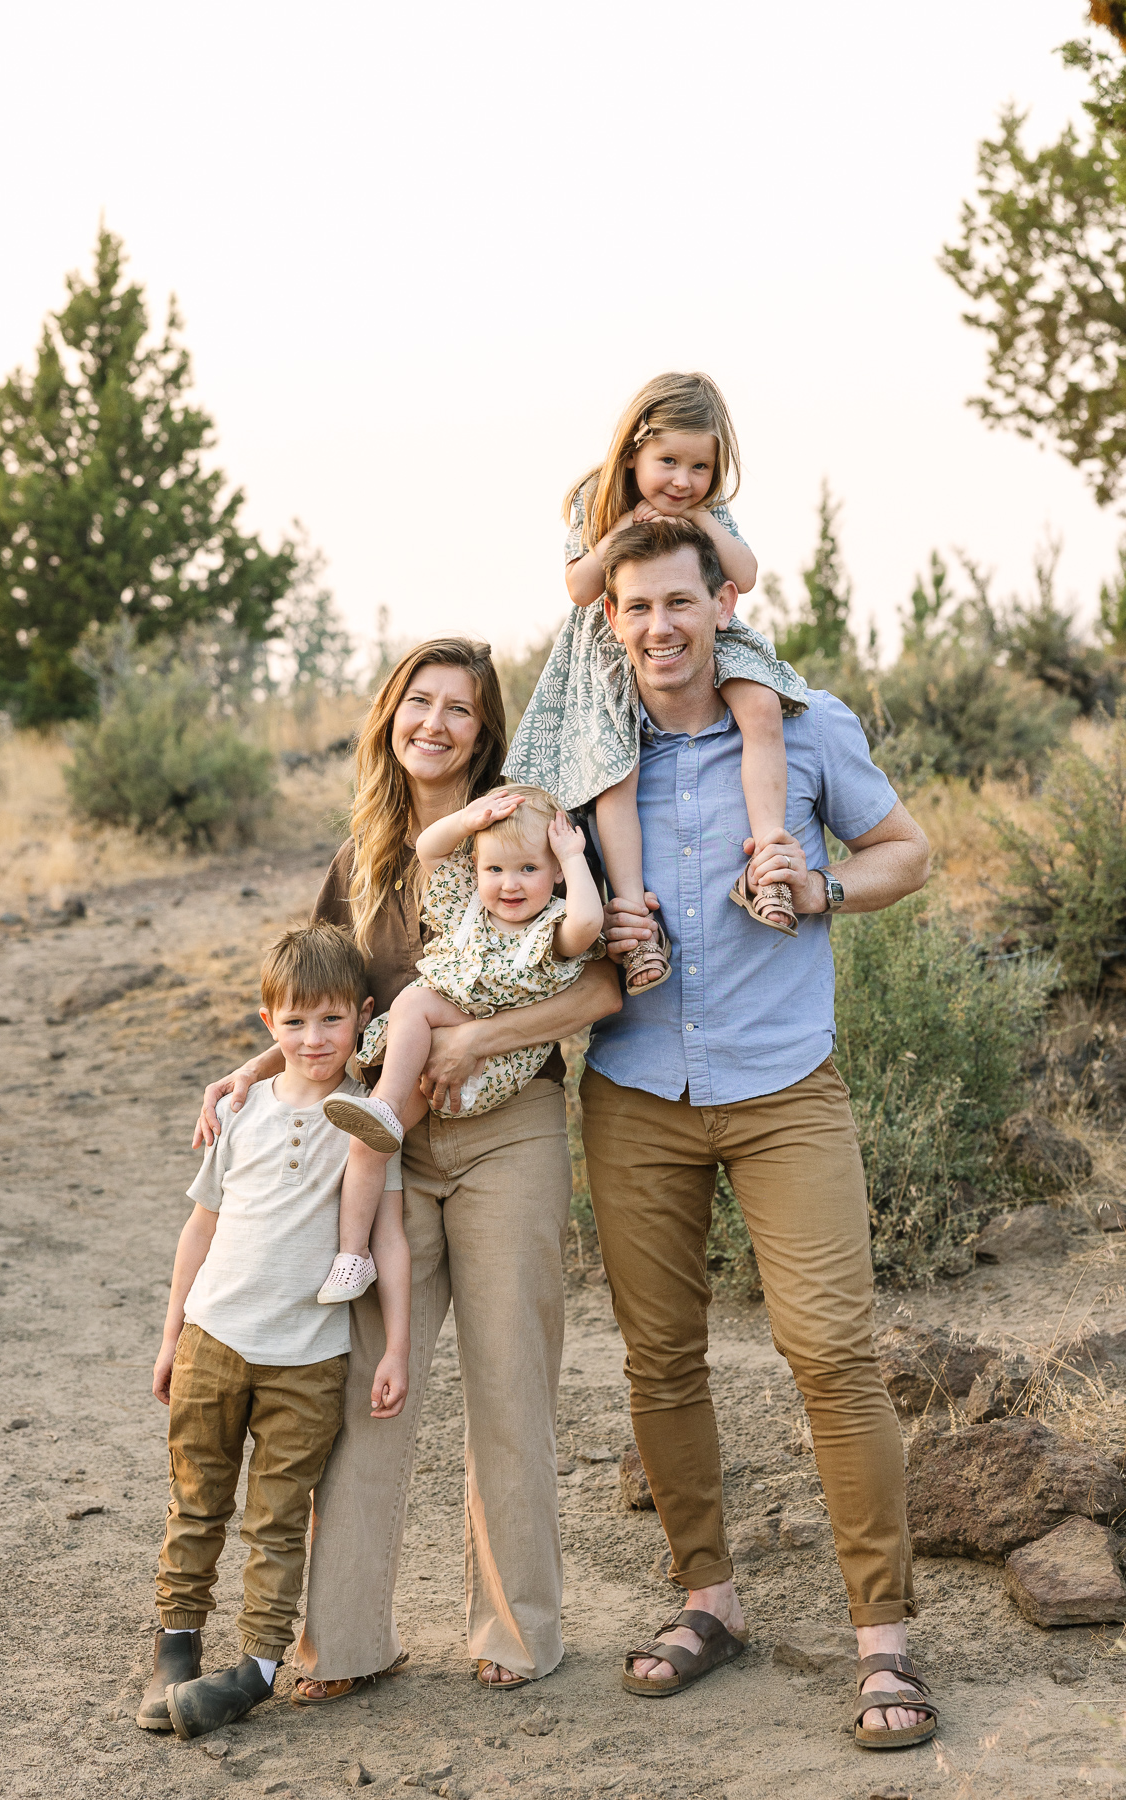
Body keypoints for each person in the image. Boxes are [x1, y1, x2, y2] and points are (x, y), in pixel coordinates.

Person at [194, 638, 622, 1696]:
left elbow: (608, 987)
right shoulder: (368, 852)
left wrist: (478, 1040)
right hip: (383, 1155)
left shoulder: (524, 827)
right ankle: (340, 1643)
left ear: (486, 730)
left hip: (506, 1128)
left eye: (461, 709)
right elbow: (321, 999)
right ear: (391, 715)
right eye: (419, 702)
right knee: (363, 1389)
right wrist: (247, 1071)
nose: (436, 723)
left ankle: (515, 1633)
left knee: (509, 1382)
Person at [577, 517, 940, 1752]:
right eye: (636, 609)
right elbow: (534, 902)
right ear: (610, 619)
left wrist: (825, 888)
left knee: (832, 1353)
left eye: (680, 603)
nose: (660, 629)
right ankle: (707, 1600)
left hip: (787, 1086)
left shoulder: (804, 725)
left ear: (718, 603)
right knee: (659, 1360)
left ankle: (884, 1637)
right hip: (633, 1093)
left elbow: (907, 851)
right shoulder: (594, 749)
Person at [136, 924, 408, 1741]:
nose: (314, 1039)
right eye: (295, 1023)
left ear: (362, 1019)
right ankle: (175, 1642)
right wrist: (169, 1334)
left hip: (310, 1358)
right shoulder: (240, 1109)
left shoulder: (366, 1120)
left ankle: (254, 1666)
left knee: (279, 1517)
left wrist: (394, 1343)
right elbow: (200, 1228)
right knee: (197, 1499)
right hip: (215, 1338)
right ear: (268, 1024)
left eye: (331, 1020)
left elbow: (387, 1237)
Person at [504, 370, 809, 992]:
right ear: (633, 451)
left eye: (700, 467)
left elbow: (744, 575)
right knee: (617, 767)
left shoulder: (706, 507)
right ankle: (635, 916)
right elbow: (581, 587)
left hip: (706, 639)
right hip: (615, 647)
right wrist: (623, 529)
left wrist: (703, 517)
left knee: (760, 708)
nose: (682, 480)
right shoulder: (599, 497)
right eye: (668, 460)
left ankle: (770, 859)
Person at [317, 783, 605, 1304]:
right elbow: (430, 848)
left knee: (413, 1001)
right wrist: (469, 821)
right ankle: (353, 1255)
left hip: (491, 1059)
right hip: (433, 1060)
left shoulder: (550, 929)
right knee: (367, 1145)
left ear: (555, 873)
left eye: (528, 869)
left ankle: (383, 1102)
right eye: (494, 870)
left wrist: (571, 856)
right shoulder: (466, 909)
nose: (509, 885)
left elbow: (588, 923)